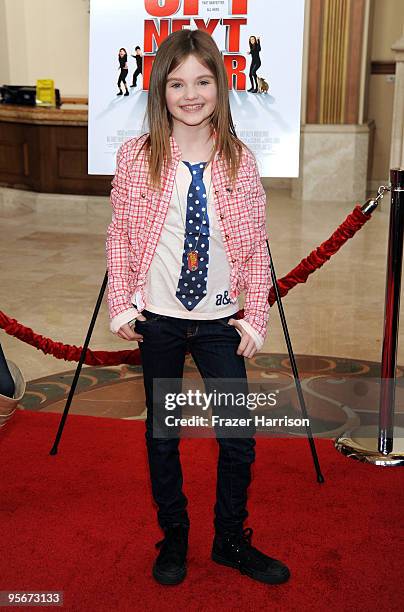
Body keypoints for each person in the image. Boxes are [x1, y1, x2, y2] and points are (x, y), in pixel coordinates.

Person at [106, 29, 290, 587]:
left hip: (218, 324)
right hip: (159, 320)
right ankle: (176, 536)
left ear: (220, 86)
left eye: (203, 81)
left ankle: (231, 539)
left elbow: (255, 246)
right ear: (160, 88)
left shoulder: (240, 160)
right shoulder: (137, 157)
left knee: (237, 436)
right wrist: (122, 304)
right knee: (164, 433)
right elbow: (119, 234)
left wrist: (254, 316)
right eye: (178, 82)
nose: (191, 94)